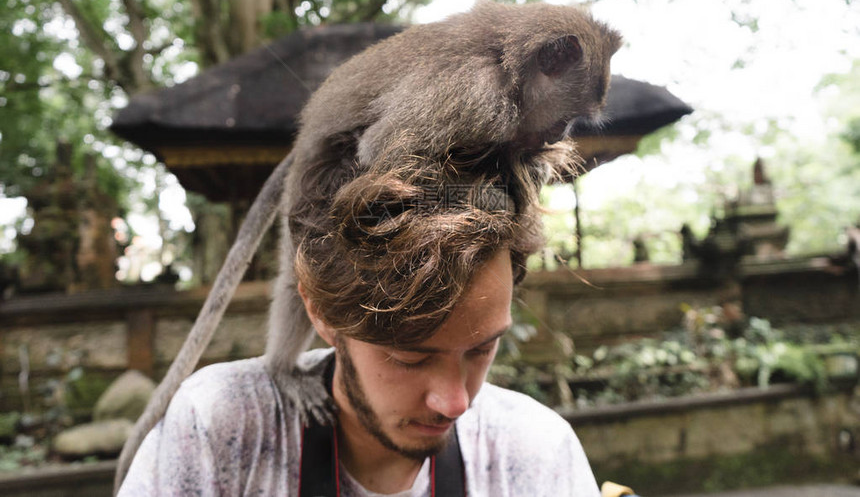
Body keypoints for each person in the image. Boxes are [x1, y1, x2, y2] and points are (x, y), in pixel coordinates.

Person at [118, 154, 601, 496]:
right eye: (411, 357)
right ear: (322, 315)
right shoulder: (223, 426)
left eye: (481, 350)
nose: (456, 402)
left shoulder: (535, 450)